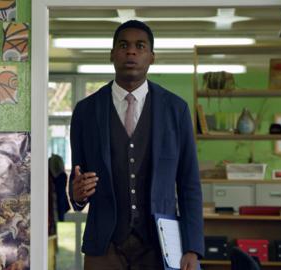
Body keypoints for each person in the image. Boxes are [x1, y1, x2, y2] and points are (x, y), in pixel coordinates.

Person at [69, 20, 204, 270]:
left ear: (152, 57)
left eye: (140, 46)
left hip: (160, 244)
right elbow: (77, 179)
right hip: (104, 246)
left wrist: (193, 247)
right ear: (112, 54)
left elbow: (189, 185)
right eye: (123, 45)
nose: (131, 51)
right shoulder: (86, 112)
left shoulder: (176, 110)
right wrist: (76, 195)